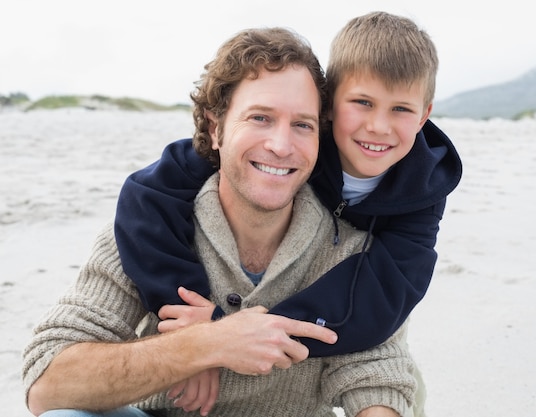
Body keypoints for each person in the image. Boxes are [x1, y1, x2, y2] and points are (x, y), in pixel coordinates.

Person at [22, 27, 420, 417]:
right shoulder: (149, 230)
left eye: (303, 125)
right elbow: (46, 384)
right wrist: (204, 344)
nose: (281, 146)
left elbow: (376, 375)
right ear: (216, 129)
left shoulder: (354, 253)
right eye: (260, 118)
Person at [114, 11, 462, 358]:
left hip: (346, 319)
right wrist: (195, 323)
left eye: (400, 109)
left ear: (424, 116)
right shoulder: (297, 143)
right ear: (328, 105)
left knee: (398, 365)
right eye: (362, 103)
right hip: (258, 295)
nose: (378, 126)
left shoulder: (424, 190)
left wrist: (227, 329)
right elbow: (146, 196)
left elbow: (386, 294)